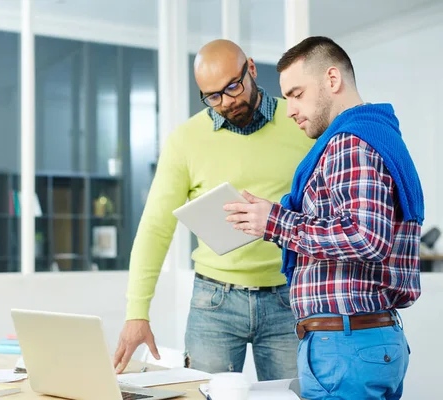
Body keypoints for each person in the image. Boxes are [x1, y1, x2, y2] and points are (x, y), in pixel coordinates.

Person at [224, 36, 423, 399]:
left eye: (297, 94)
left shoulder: (350, 141)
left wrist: (275, 223)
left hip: (345, 346)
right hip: (364, 340)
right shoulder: (377, 135)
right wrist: (274, 216)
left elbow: (366, 236)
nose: (289, 110)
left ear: (332, 80)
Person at [113, 39, 314, 379]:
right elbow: (155, 228)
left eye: (233, 88)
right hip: (214, 303)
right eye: (213, 97)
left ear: (251, 68)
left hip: (289, 296)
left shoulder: (300, 123)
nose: (226, 103)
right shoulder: (185, 140)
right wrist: (137, 313)